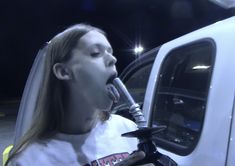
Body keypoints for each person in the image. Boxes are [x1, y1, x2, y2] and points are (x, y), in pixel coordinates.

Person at [6, 24, 154, 166]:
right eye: (95, 53)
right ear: (63, 72)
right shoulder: (27, 160)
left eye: (111, 52)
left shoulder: (127, 128)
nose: (113, 59)